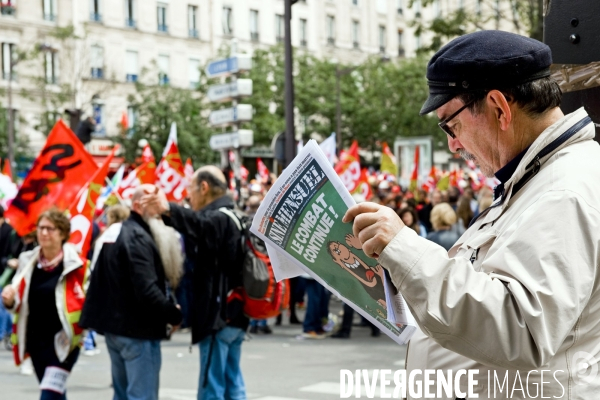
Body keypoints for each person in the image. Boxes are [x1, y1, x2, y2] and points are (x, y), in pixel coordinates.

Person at [342, 30, 600, 398]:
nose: (452, 143)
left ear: (498, 107)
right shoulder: (535, 178)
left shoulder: (563, 190)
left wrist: (404, 250)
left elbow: (521, 327)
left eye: (451, 124)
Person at [141, 166, 249, 400]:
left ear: (204, 188)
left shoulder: (219, 218)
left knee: (212, 387)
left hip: (217, 317)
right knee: (233, 382)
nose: (188, 195)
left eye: (191, 188)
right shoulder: (237, 216)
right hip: (237, 313)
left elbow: (200, 224)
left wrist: (167, 208)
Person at [79, 185, 183, 400]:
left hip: (117, 329)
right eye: (157, 206)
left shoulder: (118, 232)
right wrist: (173, 314)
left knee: (123, 394)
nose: (162, 213)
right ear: (138, 206)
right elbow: (146, 289)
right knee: (140, 396)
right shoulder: (137, 237)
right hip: (136, 331)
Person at [1, 210, 88, 400]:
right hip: (35, 341)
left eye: (50, 229)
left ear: (63, 233)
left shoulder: (77, 264)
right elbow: (18, 301)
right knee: (55, 393)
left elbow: (89, 300)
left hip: (64, 343)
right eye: (41, 228)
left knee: (49, 395)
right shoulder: (27, 260)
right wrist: (9, 299)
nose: (44, 233)